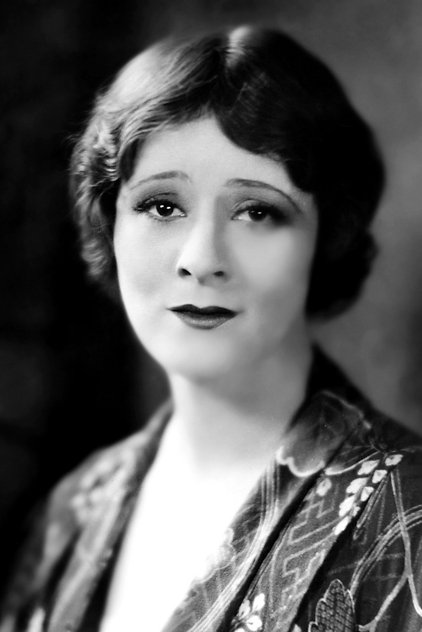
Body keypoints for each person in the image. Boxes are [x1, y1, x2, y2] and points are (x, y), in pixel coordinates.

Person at [2, 24, 422, 632]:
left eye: (257, 211)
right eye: (162, 206)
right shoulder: (73, 509)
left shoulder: (408, 517)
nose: (201, 258)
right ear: (112, 225)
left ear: (325, 240)